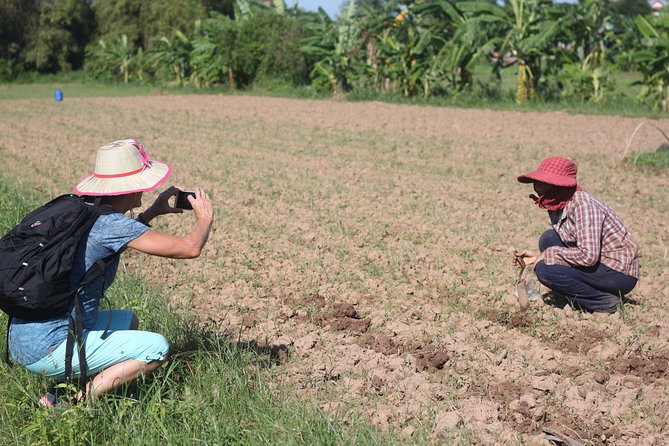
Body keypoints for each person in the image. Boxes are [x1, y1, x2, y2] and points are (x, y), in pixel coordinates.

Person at [8, 139, 214, 406]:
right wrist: (205, 219)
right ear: (129, 188)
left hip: (26, 335)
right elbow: (190, 248)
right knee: (156, 349)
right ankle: (72, 402)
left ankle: (59, 388)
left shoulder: (84, 210)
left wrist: (151, 212)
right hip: (47, 346)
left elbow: (106, 247)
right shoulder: (111, 224)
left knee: (128, 321)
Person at [515, 156, 639, 313]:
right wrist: (538, 256)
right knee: (548, 239)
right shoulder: (559, 202)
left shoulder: (584, 206)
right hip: (599, 261)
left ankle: (603, 302)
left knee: (545, 270)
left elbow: (588, 256)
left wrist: (548, 255)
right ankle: (591, 292)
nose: (538, 189)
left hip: (618, 272)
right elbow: (573, 244)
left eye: (544, 185)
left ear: (558, 186)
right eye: (537, 184)